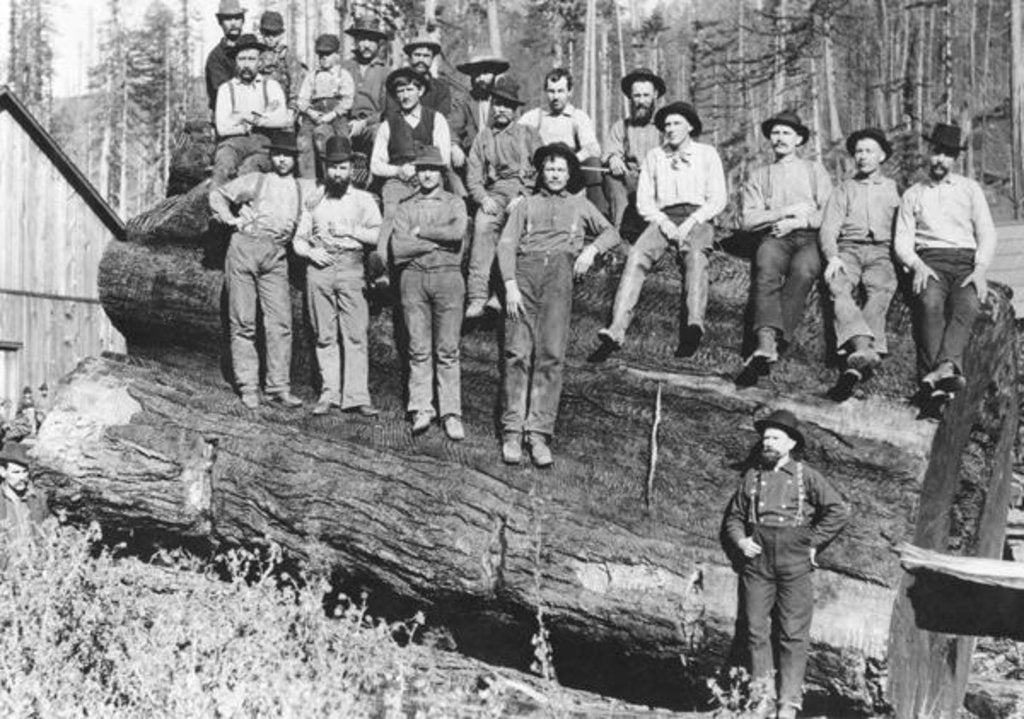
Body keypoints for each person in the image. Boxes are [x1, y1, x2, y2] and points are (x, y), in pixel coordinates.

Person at [497, 143, 621, 467]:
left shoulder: (580, 205)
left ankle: (538, 433)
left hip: (559, 280)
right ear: (542, 172)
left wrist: (590, 251)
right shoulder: (525, 204)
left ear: (570, 174)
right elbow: (506, 245)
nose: (554, 175)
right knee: (517, 354)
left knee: (551, 356)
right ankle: (512, 431)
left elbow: (611, 232)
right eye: (550, 169)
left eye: (561, 169)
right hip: (524, 278)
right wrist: (510, 285)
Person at [723, 409, 848, 719]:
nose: (768, 442)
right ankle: (762, 698)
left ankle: (789, 704)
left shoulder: (806, 476)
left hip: (794, 561)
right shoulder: (752, 477)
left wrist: (813, 543)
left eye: (775, 438)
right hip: (758, 561)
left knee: (793, 633)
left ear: (791, 444)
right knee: (754, 630)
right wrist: (741, 541)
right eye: (765, 437)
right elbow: (734, 518)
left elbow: (837, 510)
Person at [592, 101, 727, 361]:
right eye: (666, 125)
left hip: (698, 218)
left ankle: (694, 325)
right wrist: (663, 222)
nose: (671, 129)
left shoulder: (706, 154)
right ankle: (616, 329)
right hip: (663, 217)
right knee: (637, 255)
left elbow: (718, 198)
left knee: (696, 257)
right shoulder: (655, 156)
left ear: (690, 126)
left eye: (677, 123)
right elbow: (644, 201)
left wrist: (693, 221)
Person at [894, 122, 997, 402]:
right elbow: (902, 240)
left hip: (965, 261)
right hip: (930, 260)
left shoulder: (970, 189)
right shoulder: (913, 193)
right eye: (937, 152)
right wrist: (916, 265)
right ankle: (943, 372)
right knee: (929, 303)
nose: (941, 159)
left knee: (968, 305)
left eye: (948, 154)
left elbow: (986, 231)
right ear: (929, 152)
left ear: (955, 158)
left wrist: (981, 268)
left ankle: (941, 370)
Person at [209, 132, 310, 409]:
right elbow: (218, 195)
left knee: (280, 322)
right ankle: (249, 387)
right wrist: (230, 219)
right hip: (245, 247)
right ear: (271, 156)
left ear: (295, 159)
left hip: (277, 255)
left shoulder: (304, 188)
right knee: (243, 320)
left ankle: (278, 387)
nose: (282, 160)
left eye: (287, 155)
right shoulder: (257, 180)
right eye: (277, 154)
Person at [736, 111, 832, 387]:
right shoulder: (760, 174)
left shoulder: (815, 170)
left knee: (804, 271)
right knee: (765, 265)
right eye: (775, 133)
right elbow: (748, 219)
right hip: (775, 236)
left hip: (811, 236)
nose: (779, 138)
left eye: (786, 133)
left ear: (799, 139)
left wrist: (801, 221)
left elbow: (829, 211)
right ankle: (765, 340)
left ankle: (779, 340)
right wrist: (784, 213)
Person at [294, 136, 381, 417]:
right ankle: (329, 394)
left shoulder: (364, 200)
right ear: (325, 168)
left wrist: (351, 232)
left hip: (352, 266)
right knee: (324, 335)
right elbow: (298, 239)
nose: (337, 173)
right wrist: (310, 253)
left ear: (350, 169)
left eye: (342, 168)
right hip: (319, 270)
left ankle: (356, 396)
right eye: (332, 167)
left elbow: (379, 234)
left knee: (355, 334)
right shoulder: (314, 200)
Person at [390, 146, 469, 439]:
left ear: (441, 173)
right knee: (418, 349)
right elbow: (399, 249)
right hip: (413, 279)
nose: (427, 174)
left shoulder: (455, 203)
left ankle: (451, 413)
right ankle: (422, 408)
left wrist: (420, 233)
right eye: (422, 169)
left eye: (432, 169)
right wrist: (434, 242)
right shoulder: (405, 205)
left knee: (448, 350)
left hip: (448, 279)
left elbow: (457, 233)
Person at [818, 128, 901, 401]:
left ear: (882, 156)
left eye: (869, 151)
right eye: (858, 152)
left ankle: (856, 362)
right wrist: (833, 256)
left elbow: (906, 227)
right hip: (847, 250)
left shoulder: (893, 189)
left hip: (882, 252)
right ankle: (865, 348)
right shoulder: (844, 189)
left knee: (880, 290)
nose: (862, 157)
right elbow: (828, 228)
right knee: (838, 288)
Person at [464, 76, 542, 318]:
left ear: (516, 109)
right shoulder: (483, 137)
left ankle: (500, 294)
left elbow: (544, 169)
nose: (501, 109)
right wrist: (482, 198)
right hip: (495, 193)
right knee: (484, 225)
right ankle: (477, 297)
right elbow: (474, 175)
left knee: (515, 232)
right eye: (498, 103)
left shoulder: (528, 134)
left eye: (507, 105)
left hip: (524, 194)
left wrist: (526, 196)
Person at [371, 67, 452, 265]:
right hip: (397, 181)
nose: (405, 96)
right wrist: (398, 171)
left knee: (430, 214)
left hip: (429, 177)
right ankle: (381, 264)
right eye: (400, 91)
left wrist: (421, 169)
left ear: (420, 91)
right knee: (391, 212)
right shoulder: (388, 124)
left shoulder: (436, 119)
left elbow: (444, 158)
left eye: (409, 90)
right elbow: (375, 164)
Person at [211, 33, 292, 187]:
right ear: (235, 61)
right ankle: (218, 208)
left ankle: (245, 210)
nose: (246, 64)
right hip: (232, 143)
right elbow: (222, 128)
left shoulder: (271, 86)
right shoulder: (226, 89)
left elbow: (282, 118)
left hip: (263, 144)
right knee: (223, 164)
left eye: (251, 59)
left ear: (259, 61)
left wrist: (248, 118)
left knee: (250, 168)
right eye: (242, 59)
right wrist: (261, 119)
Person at [518, 68, 603, 208]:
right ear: (546, 92)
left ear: (570, 92)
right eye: (551, 91)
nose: (555, 97)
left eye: (560, 91)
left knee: (593, 164)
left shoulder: (578, 117)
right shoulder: (535, 116)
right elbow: (515, 136)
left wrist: (569, 160)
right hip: (542, 172)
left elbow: (593, 149)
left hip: (570, 173)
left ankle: (598, 215)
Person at [602, 68, 665, 235]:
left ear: (655, 95)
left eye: (646, 95)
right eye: (637, 96)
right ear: (630, 97)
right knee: (611, 177)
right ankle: (620, 231)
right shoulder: (621, 126)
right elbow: (610, 151)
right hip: (629, 182)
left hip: (657, 183)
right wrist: (613, 158)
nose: (641, 101)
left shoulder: (665, 127)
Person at [296, 33, 355, 179]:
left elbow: (348, 99)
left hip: (336, 115)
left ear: (337, 55)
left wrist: (332, 114)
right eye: (320, 54)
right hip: (314, 113)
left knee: (340, 143)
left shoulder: (343, 74)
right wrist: (311, 112)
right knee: (303, 141)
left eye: (327, 54)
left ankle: (338, 178)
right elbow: (302, 99)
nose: (323, 58)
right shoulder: (312, 75)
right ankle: (308, 180)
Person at [449, 51, 510, 174]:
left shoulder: (505, 102)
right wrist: (454, 146)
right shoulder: (463, 100)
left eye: (486, 73)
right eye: (476, 74)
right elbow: (454, 127)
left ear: (494, 75)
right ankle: (461, 194)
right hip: (470, 159)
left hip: (499, 159)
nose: (481, 78)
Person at [341, 17, 391, 156]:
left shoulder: (386, 73)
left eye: (371, 40)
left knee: (379, 134)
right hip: (345, 123)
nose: (366, 45)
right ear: (356, 42)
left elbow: (388, 110)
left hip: (372, 124)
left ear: (379, 44)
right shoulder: (343, 69)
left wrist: (364, 123)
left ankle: (375, 176)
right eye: (362, 39)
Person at [0, 441, 50, 570]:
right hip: (7, 571)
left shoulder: (38, 498)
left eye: (25, 471)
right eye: (16, 473)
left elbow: (48, 530)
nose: (22, 477)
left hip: (35, 569)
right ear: (3, 472)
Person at [385, 35, 452, 118]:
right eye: (417, 55)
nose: (421, 60)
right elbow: (392, 115)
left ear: (432, 59)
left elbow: (442, 117)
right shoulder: (396, 84)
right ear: (409, 57)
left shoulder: (441, 88)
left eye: (426, 56)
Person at [257, 10, 305, 122]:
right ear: (261, 32)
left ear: (281, 34)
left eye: (275, 34)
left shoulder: (287, 56)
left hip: (283, 108)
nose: (270, 37)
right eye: (267, 33)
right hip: (260, 108)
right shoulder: (256, 54)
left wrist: (291, 109)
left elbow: (296, 85)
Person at [205, 0, 247, 113]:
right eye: (228, 19)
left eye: (237, 18)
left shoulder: (252, 50)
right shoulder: (216, 57)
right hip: (228, 116)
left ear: (243, 20)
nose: (233, 23)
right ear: (220, 22)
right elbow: (223, 93)